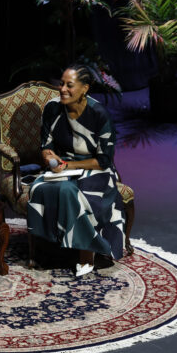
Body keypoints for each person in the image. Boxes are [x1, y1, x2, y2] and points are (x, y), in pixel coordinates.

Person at [26, 64, 135, 277]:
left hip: (95, 169)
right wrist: (49, 157)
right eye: (61, 83)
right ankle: (64, 248)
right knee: (51, 189)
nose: (62, 89)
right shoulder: (52, 109)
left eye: (70, 85)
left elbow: (103, 160)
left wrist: (70, 166)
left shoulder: (99, 114)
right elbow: (45, 146)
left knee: (83, 194)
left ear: (85, 88)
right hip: (61, 168)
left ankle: (87, 252)